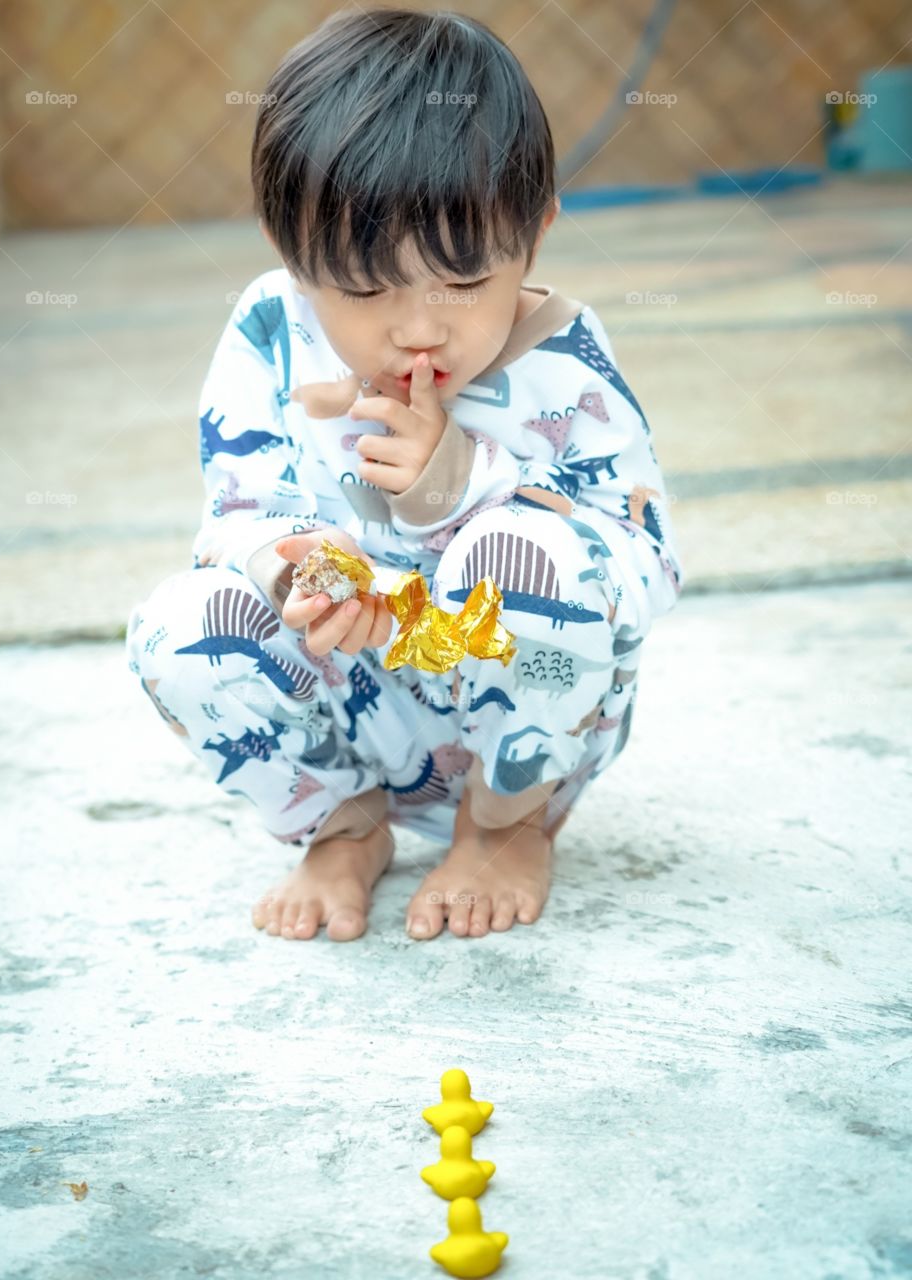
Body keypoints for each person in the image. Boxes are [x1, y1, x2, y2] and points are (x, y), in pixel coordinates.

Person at [125, 7, 685, 943]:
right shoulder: (273, 332)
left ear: (535, 234)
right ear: (290, 251)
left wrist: (461, 481)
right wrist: (296, 568)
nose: (420, 327)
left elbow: (644, 567)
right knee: (174, 628)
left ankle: (504, 831)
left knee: (523, 549)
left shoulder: (563, 362)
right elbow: (234, 514)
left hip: (524, 724)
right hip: (352, 700)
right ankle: (341, 828)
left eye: (464, 284)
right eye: (366, 286)